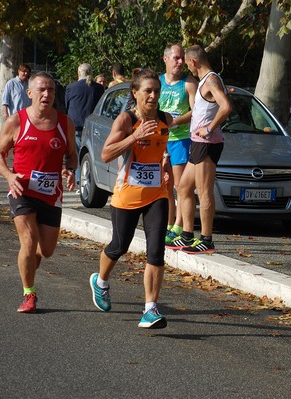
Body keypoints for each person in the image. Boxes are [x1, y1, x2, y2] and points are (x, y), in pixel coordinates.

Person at [89, 69, 173, 329]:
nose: (153, 95)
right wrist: (134, 137)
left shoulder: (165, 119)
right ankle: (100, 281)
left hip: (156, 194)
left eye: (156, 91)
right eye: (147, 91)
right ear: (135, 93)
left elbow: (162, 147)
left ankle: (150, 308)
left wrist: (166, 165)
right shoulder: (126, 120)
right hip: (126, 195)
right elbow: (105, 154)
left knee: (156, 252)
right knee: (119, 246)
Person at [0, 71, 77, 313]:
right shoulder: (16, 122)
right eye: (41, 89)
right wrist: (10, 176)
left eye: (50, 90)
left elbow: (72, 155)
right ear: (29, 93)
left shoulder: (64, 123)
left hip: (51, 194)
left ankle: (30, 260)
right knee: (28, 241)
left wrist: (70, 169)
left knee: (46, 251)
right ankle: (29, 294)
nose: (46, 94)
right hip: (22, 189)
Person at [176, 45, 231, 254]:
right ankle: (188, 235)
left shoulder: (211, 80)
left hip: (208, 144)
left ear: (193, 62)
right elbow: (200, 111)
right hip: (197, 144)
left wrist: (209, 128)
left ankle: (206, 239)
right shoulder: (204, 82)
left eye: (187, 63)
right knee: (183, 187)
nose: (187, 68)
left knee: (204, 192)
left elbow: (226, 106)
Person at [158, 44, 198, 250]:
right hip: (159, 140)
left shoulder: (189, 83)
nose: (180, 62)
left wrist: (175, 121)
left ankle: (179, 226)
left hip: (180, 139)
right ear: (166, 59)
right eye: (176, 58)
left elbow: (195, 111)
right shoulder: (157, 83)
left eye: (182, 58)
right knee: (165, 186)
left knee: (180, 186)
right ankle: (167, 225)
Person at [65, 63, 105, 184]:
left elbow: (67, 105)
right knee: (91, 153)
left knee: (76, 153)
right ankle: (90, 178)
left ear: (79, 73)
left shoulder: (71, 87)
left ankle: (79, 179)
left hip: (75, 124)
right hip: (92, 125)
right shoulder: (98, 88)